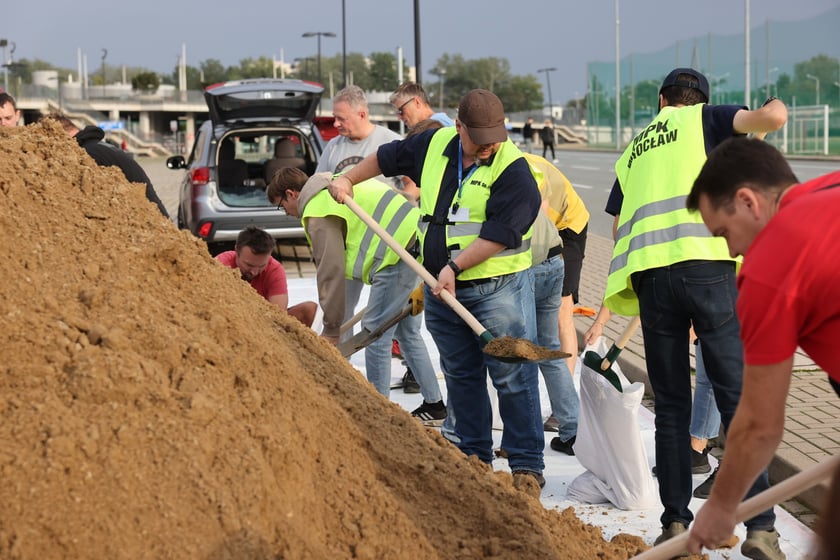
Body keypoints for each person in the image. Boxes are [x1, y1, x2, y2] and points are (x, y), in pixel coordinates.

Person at [599, 68, 788, 558]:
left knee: (671, 408)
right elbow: (772, 119)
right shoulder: (706, 119)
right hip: (708, 270)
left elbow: (619, 225)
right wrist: (772, 106)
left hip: (652, 280)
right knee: (736, 398)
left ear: (661, 101)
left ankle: (676, 526)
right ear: (699, 100)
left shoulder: (634, 148)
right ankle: (761, 527)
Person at [327, 89, 545, 495]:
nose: (488, 146)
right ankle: (474, 457)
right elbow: (387, 157)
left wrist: (454, 267)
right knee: (462, 375)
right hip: (441, 288)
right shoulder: (433, 144)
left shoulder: (513, 170)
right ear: (458, 126)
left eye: (493, 138)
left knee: (513, 376)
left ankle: (526, 465)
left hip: (496, 290)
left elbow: (501, 233)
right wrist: (347, 179)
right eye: (479, 138)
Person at [684, 137, 840, 557]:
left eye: (723, 233)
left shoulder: (770, 263)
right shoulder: (831, 188)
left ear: (748, 202)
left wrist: (721, 506)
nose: (731, 250)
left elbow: (759, 426)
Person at [267, 168, 447, 426]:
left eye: (281, 205)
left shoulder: (318, 208)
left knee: (374, 335)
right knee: (407, 332)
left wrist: (331, 330)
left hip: (396, 255)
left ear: (291, 193)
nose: (285, 213)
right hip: (417, 242)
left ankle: (379, 417)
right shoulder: (336, 182)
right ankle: (435, 405)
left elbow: (331, 271)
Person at [315, 85, 408, 349]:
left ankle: (407, 361)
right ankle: (341, 365)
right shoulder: (333, 147)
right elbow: (318, 184)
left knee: (394, 317)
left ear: (362, 114)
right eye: (335, 117)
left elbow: (414, 185)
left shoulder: (390, 141)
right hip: (349, 243)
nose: (335, 124)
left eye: (341, 118)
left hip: (387, 244)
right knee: (342, 310)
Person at [524, 154, 579, 452]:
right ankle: (573, 431)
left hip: (529, 264)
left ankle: (524, 438)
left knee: (522, 350)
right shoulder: (526, 166)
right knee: (547, 348)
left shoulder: (488, 173)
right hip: (552, 259)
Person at [524, 152, 590, 376]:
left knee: (563, 310)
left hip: (568, 227)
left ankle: (567, 385)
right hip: (544, 228)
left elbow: (539, 227)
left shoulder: (527, 170)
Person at [40, 113, 170, 219]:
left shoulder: (87, 155)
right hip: (155, 218)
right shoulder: (97, 147)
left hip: (148, 224)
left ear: (56, 135)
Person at [216, 226, 317, 328]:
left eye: (261, 266)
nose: (254, 272)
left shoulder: (275, 270)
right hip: (229, 321)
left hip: (263, 323)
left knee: (310, 309)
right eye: (249, 265)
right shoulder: (221, 265)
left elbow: (279, 315)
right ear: (237, 251)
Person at [389, 82, 454, 130]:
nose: (399, 117)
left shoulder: (437, 126)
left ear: (417, 102)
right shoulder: (440, 123)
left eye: (401, 111)